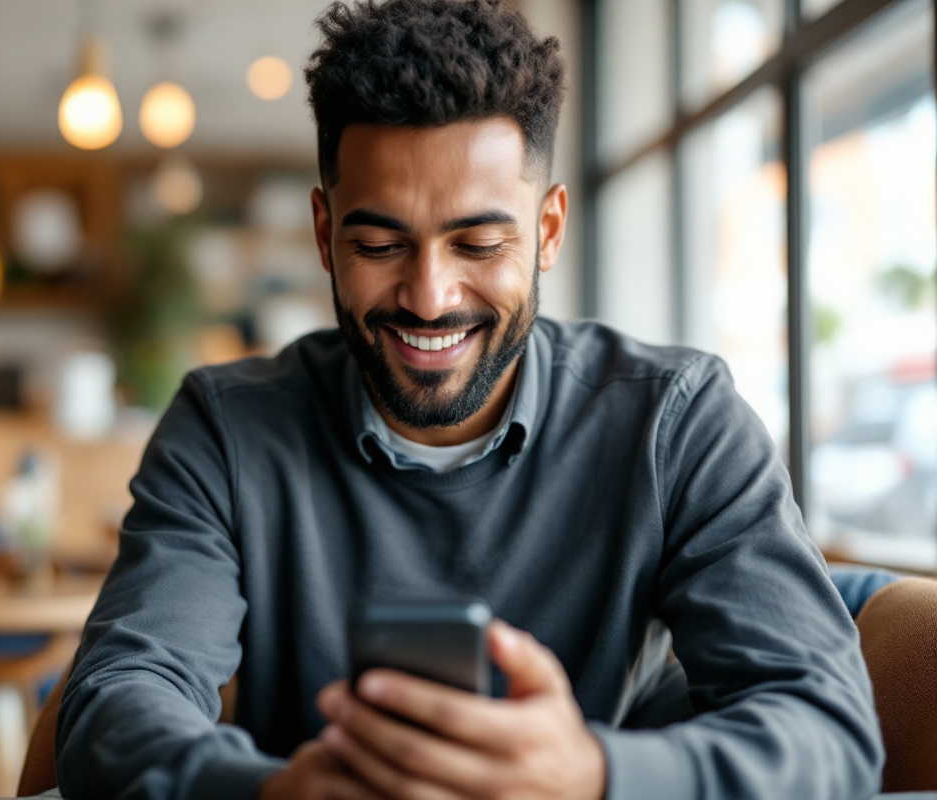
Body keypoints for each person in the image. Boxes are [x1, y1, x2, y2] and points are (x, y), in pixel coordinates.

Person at [56, 1, 883, 798]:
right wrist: (267, 793)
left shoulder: (676, 422)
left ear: (550, 230)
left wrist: (592, 778)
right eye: (379, 245)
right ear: (322, 232)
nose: (427, 295)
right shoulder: (226, 429)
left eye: (479, 243)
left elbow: (827, 728)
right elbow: (120, 696)